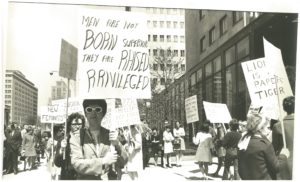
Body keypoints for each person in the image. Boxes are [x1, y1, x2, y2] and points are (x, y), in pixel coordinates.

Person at [69, 99, 128, 180]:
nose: (93, 113)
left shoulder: (111, 135)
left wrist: (117, 144)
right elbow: (77, 163)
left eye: (98, 109)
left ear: (103, 114)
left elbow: (124, 162)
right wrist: (103, 161)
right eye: (89, 110)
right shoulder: (77, 137)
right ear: (85, 114)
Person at [238, 114, 290, 180]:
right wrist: (283, 156)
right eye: (267, 127)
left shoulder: (242, 141)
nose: (269, 130)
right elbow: (276, 168)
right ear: (260, 128)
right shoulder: (264, 145)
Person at [54, 112, 85, 180]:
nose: (77, 127)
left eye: (80, 124)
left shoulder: (87, 139)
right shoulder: (63, 140)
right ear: (69, 125)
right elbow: (57, 163)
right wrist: (61, 149)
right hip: (67, 176)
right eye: (74, 124)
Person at [272, 96, 295, 179]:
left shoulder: (278, 126)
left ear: (284, 108)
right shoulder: (278, 125)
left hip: (286, 165)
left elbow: (274, 148)